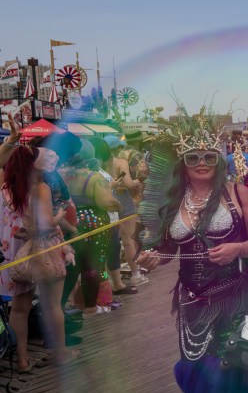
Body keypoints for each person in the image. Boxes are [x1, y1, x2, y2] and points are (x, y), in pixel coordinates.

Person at [137, 114, 248, 393]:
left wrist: (238, 248)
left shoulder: (236, 193)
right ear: (183, 161)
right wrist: (150, 259)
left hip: (234, 299)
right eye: (193, 158)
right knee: (195, 376)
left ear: (220, 157)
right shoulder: (173, 200)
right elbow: (166, 251)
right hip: (191, 306)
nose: (201, 165)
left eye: (208, 157)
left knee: (221, 376)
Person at [1, 146, 78, 372]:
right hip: (41, 250)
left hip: (14, 253)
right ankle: (61, 353)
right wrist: (60, 215)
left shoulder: (5, 189)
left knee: (19, 308)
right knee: (53, 304)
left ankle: (22, 360)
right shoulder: (39, 187)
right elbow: (46, 223)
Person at [58, 140, 121, 314]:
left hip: (66, 222)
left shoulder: (59, 174)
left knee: (70, 265)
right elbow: (105, 202)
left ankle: (61, 305)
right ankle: (91, 306)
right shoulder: (93, 176)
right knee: (92, 266)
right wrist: (115, 203)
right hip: (93, 225)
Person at [106, 135, 147, 287]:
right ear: (117, 148)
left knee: (111, 242)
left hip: (107, 201)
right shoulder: (120, 162)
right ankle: (136, 274)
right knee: (128, 241)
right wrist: (139, 181)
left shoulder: (100, 164)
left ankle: (111, 278)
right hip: (123, 202)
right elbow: (129, 184)